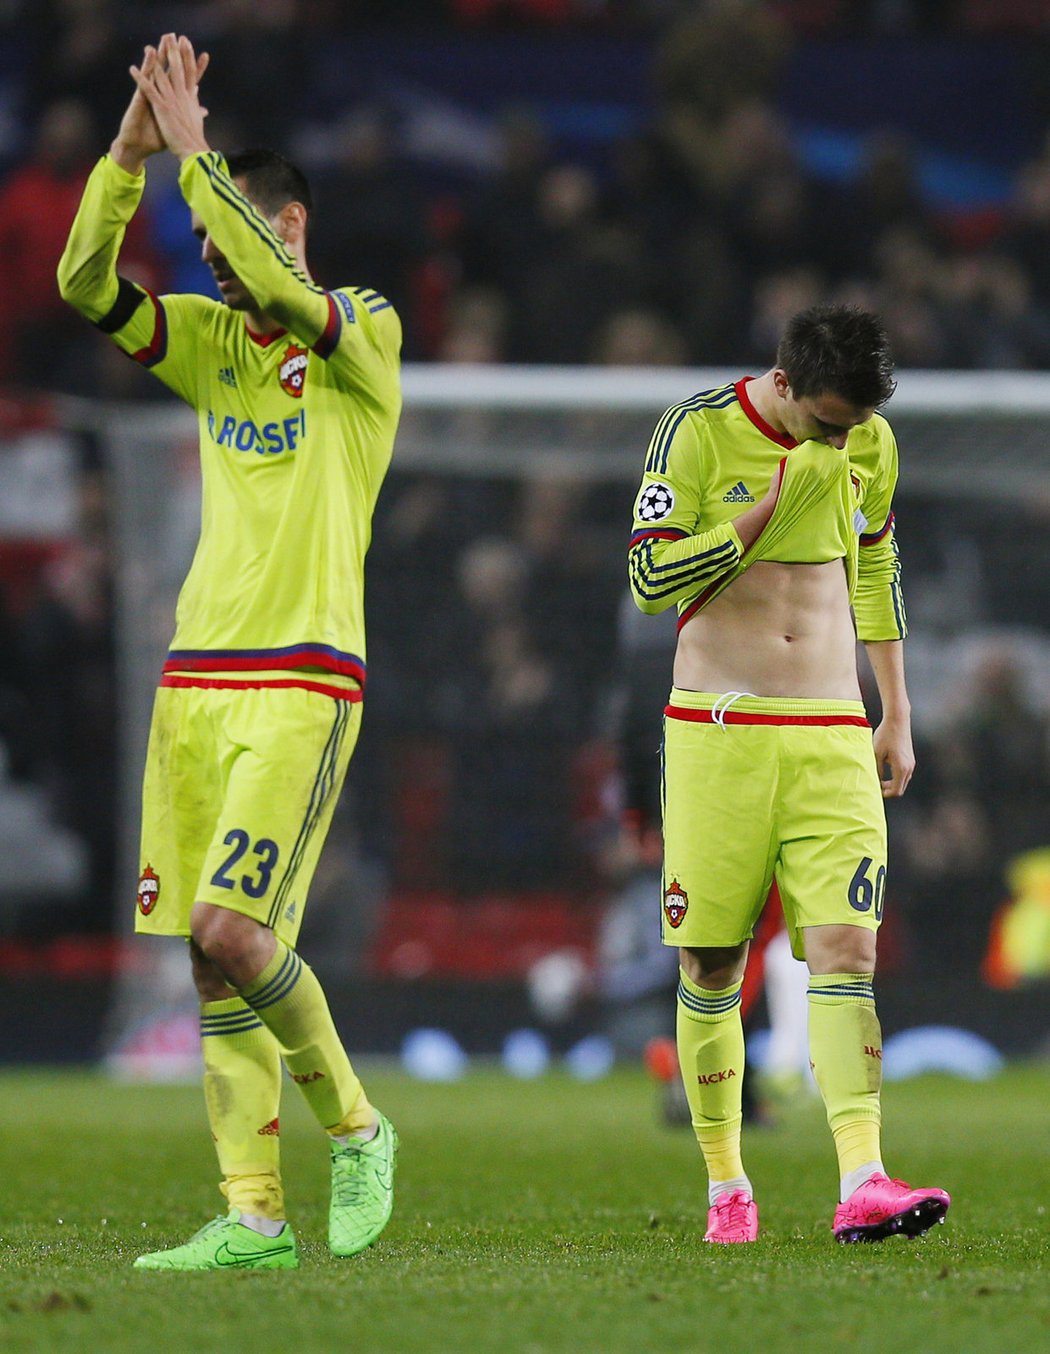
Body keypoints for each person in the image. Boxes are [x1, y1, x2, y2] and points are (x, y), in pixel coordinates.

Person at [58, 34, 402, 1271]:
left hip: (305, 671)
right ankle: (253, 1213)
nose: (207, 260)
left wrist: (195, 151)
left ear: (290, 223)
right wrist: (127, 157)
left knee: (237, 930)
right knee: (209, 957)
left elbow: (269, 278)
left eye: (225, 236)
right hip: (198, 673)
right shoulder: (213, 351)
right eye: (201, 246)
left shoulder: (359, 333)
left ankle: (360, 1128)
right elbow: (82, 284)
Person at [628, 304, 950, 1244]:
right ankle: (728, 1186)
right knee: (713, 963)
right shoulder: (694, 431)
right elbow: (651, 583)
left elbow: (876, 566)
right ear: (782, 381)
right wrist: (771, 509)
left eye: (854, 427)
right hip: (717, 731)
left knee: (849, 950)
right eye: (827, 423)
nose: (842, 440)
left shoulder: (870, 441)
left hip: (830, 727)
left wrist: (896, 710)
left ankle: (864, 1179)